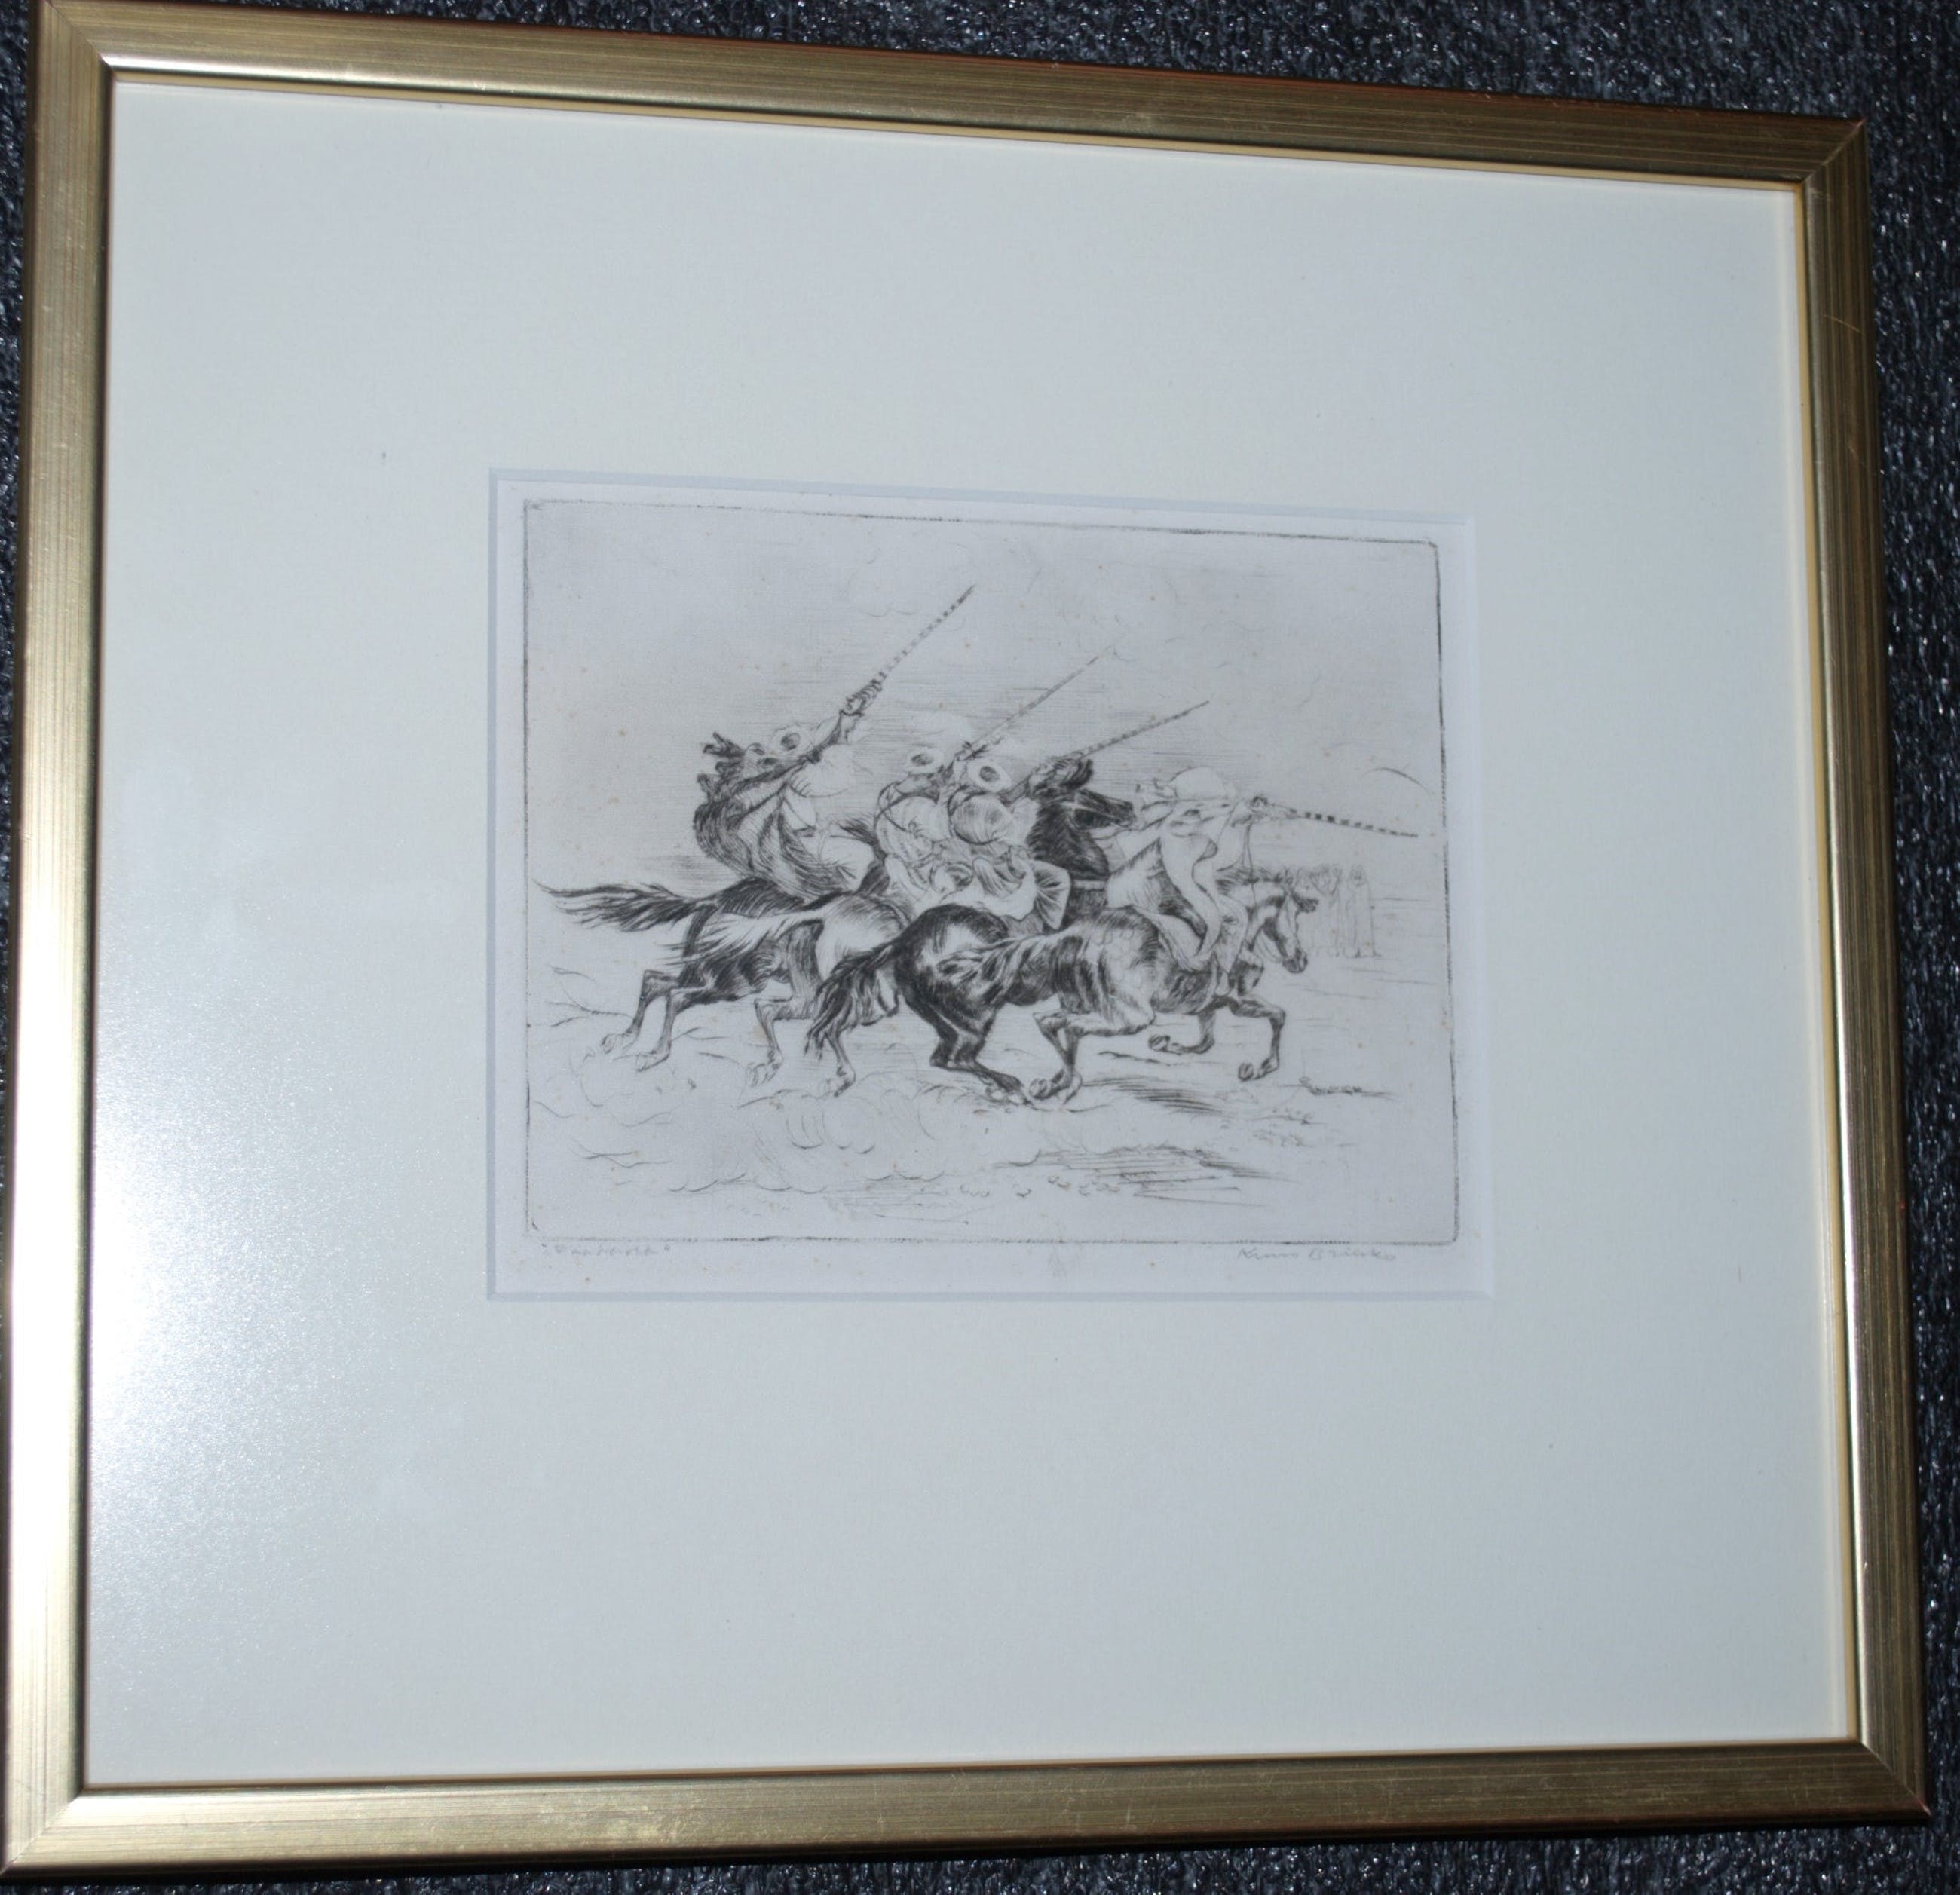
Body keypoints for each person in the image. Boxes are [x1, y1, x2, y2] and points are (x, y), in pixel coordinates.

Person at [693, 685, 877, 900]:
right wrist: (845, 730)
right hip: (800, 844)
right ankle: (840, 900)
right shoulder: (795, 776)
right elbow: (839, 777)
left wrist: (848, 714)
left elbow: (819, 739)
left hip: (795, 839)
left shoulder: (766, 770)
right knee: (863, 856)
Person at [1104, 767, 1257, 970]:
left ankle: (1217, 970)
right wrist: (1209, 938)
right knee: (1210, 925)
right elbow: (1190, 888)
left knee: (1227, 916)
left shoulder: (1194, 834)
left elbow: (1203, 876)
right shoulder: (1177, 837)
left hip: (1155, 891)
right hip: (1134, 896)